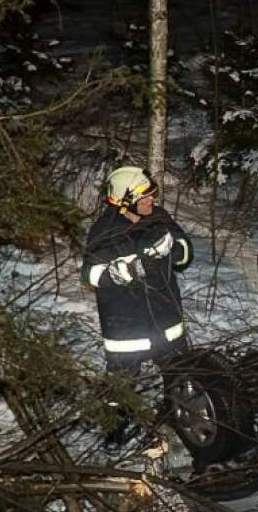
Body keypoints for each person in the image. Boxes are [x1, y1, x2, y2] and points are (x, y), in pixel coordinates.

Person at [81, 166, 193, 444]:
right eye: (144, 197)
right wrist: (114, 273)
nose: (151, 201)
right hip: (127, 330)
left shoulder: (158, 218)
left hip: (166, 322)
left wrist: (174, 248)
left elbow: (185, 254)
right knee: (120, 389)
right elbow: (89, 274)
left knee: (180, 377)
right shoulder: (104, 232)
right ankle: (114, 431)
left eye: (151, 196)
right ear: (124, 199)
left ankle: (176, 419)